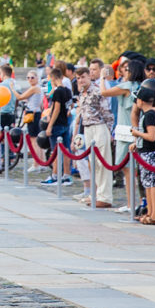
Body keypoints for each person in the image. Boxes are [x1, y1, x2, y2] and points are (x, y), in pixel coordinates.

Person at [74, 67, 113, 207]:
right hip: (88, 128)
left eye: (83, 77)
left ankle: (105, 197)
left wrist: (109, 131)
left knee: (103, 163)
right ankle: (96, 194)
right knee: (93, 163)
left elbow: (106, 111)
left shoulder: (97, 91)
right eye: (78, 78)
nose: (81, 80)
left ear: (89, 76)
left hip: (99, 126)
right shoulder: (82, 93)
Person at [131, 82, 155, 224]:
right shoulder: (146, 114)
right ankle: (150, 212)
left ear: (141, 101)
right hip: (144, 151)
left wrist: (137, 133)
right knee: (147, 184)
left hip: (150, 152)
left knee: (152, 183)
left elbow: (152, 136)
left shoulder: (150, 115)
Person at [42, 66, 73, 186]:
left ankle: (55, 175)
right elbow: (69, 106)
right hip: (65, 122)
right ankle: (66, 174)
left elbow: (56, 109)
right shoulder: (67, 91)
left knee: (55, 151)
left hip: (57, 124)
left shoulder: (58, 91)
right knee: (66, 150)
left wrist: (50, 125)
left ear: (54, 78)